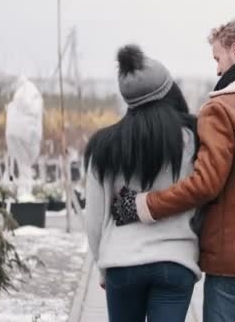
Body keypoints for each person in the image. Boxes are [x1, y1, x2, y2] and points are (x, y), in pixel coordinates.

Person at [111, 18, 235, 322]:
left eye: (218, 58)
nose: (217, 69)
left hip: (233, 260)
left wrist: (142, 205)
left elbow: (205, 184)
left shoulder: (220, 108)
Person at [84, 45, 200, 322]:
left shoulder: (104, 147)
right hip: (176, 262)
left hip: (122, 263)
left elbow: (94, 218)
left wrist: (103, 266)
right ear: (169, 90)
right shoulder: (192, 139)